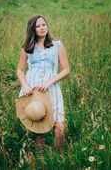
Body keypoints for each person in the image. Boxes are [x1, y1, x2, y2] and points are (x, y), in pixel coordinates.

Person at [16, 14, 70, 153]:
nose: (41, 28)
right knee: (38, 126)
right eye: (38, 26)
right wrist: (26, 86)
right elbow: (20, 70)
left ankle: (59, 157)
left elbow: (66, 70)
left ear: (47, 26)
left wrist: (49, 82)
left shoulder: (57, 45)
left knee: (59, 126)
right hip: (33, 90)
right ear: (32, 29)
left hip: (51, 88)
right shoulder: (27, 47)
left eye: (43, 25)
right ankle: (41, 159)